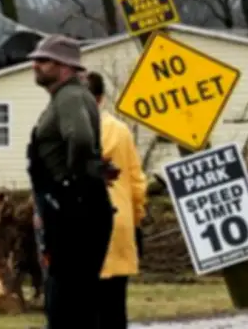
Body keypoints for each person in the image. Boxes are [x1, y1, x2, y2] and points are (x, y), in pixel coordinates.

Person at [25, 35, 116, 329]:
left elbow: (80, 139)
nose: (35, 65)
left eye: (43, 60)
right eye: (35, 60)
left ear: (64, 67)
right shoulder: (68, 97)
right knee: (75, 295)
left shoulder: (71, 96)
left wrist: (69, 183)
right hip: (77, 206)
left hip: (74, 209)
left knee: (68, 297)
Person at [84, 71, 148, 329]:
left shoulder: (66, 130)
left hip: (82, 224)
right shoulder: (120, 131)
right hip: (119, 220)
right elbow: (136, 183)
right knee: (114, 306)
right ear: (101, 99)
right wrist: (138, 220)